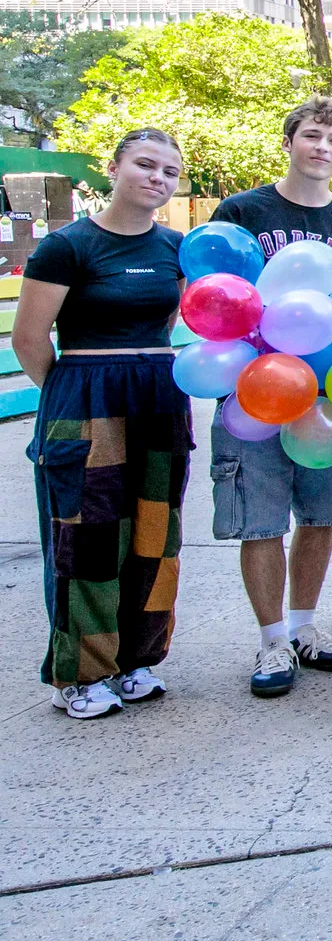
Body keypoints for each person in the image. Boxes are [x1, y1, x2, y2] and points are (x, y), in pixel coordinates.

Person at [214, 98, 332, 696]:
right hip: (253, 388)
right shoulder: (243, 210)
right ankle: (270, 643)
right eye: (312, 136)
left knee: (320, 515)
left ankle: (306, 628)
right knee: (261, 522)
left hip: (326, 393)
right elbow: (219, 296)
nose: (322, 148)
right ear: (289, 141)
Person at [18, 129, 188, 719]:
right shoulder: (68, 246)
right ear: (113, 168)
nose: (156, 178)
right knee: (84, 538)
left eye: (169, 171)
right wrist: (68, 401)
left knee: (154, 535)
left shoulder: (175, 247)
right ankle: (82, 672)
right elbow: (30, 338)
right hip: (85, 396)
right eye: (145, 165)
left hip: (160, 397)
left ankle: (137, 660)